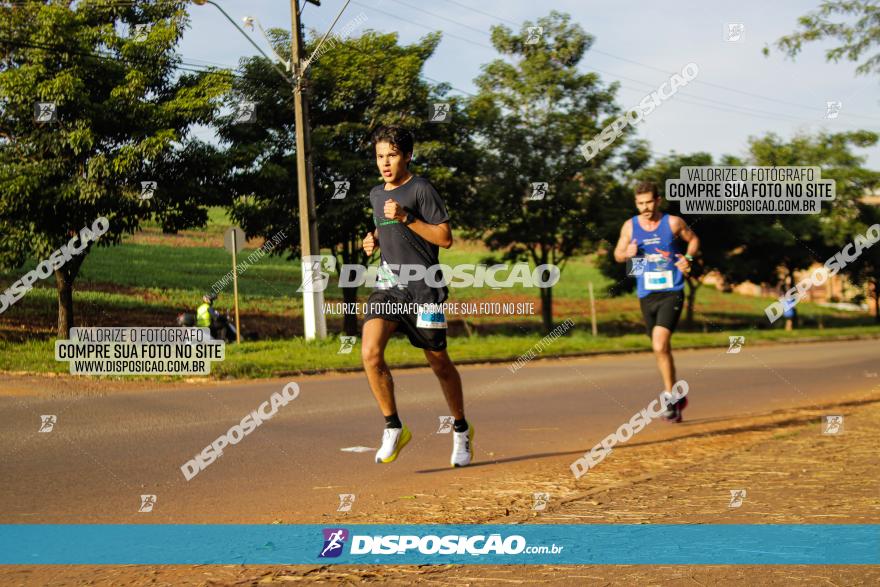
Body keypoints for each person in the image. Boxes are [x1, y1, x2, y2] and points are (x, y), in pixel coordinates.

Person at [360, 125, 473, 467]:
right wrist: (374, 240)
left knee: (438, 362)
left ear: (407, 155)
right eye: (380, 156)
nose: (385, 163)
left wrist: (407, 217)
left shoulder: (421, 189)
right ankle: (393, 426)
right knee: (370, 352)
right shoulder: (376, 195)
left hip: (424, 287)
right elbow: (387, 231)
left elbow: (444, 238)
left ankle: (461, 428)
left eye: (392, 155)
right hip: (389, 285)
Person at [614, 181, 700, 422]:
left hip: (672, 290)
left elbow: (693, 240)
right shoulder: (630, 226)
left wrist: (688, 259)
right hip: (646, 294)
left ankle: (668, 397)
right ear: (636, 203)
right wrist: (626, 255)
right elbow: (617, 254)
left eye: (649, 202)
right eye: (640, 203)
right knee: (660, 348)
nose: (645, 208)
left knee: (660, 345)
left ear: (658, 200)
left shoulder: (672, 223)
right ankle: (674, 395)